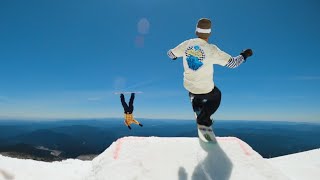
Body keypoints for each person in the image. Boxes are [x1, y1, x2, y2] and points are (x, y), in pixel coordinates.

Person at [167, 18, 253, 141]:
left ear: (196, 31)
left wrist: (175, 57)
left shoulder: (186, 44)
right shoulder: (212, 50)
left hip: (188, 86)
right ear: (209, 33)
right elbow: (233, 64)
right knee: (216, 96)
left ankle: (196, 104)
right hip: (205, 88)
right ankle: (203, 118)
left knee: (195, 89)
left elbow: (170, 54)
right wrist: (245, 54)